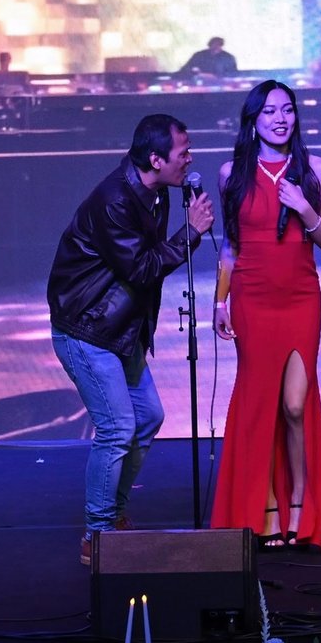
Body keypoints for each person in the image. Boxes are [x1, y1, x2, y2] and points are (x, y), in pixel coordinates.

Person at [48, 114, 214, 565]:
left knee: (148, 417)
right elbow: (141, 269)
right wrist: (190, 234)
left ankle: (113, 513)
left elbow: (146, 265)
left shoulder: (156, 193)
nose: (190, 159)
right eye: (183, 152)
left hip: (119, 329)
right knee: (117, 426)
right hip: (86, 328)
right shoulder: (115, 200)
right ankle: (97, 534)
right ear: (156, 159)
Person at [211, 81, 321, 550]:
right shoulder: (231, 173)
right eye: (269, 112)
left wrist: (304, 208)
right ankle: (265, 507)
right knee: (260, 402)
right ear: (253, 120)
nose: (280, 119)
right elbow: (231, 246)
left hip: (301, 297)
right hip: (252, 298)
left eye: (287, 110)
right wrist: (220, 301)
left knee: (294, 405)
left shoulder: (315, 169)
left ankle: (302, 503)